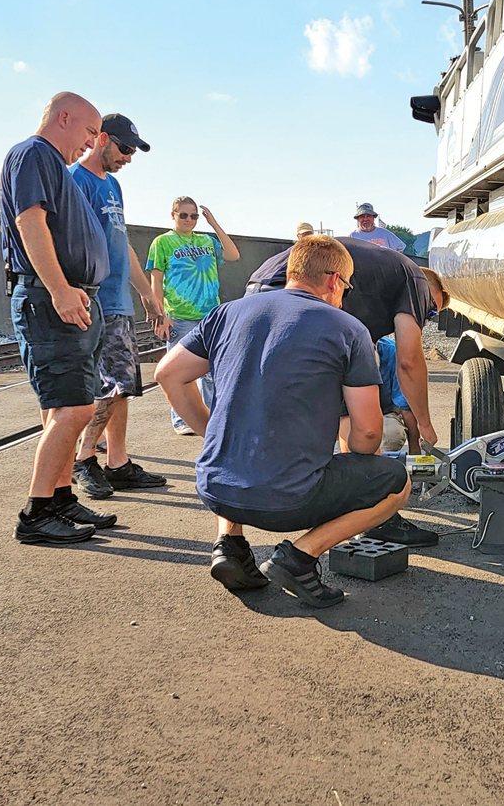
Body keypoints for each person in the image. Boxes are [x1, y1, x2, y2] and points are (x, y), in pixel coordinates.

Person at [156, 235, 412, 608]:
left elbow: (168, 374)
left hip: (215, 489)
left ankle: (230, 545)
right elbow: (369, 430)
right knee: (395, 482)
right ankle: (300, 556)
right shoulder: (348, 328)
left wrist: (210, 430)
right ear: (333, 281)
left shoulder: (226, 314)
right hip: (289, 501)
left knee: (240, 446)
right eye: (346, 286)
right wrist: (357, 467)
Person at [246, 237, 449, 547]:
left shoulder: (382, 278)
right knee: (357, 413)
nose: (426, 318)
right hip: (304, 295)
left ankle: (229, 542)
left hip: (258, 286)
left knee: (246, 410)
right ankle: (374, 513)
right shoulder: (417, 282)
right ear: (431, 292)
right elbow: (409, 362)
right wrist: (424, 423)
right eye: (431, 312)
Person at [0, 91, 115, 545]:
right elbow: (32, 223)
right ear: (63, 118)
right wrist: (60, 289)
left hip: (72, 300)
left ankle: (61, 498)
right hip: (54, 301)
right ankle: (37, 512)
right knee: (73, 408)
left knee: (64, 405)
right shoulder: (33, 154)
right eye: (88, 132)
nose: (90, 144)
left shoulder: (50, 162)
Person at [67, 113, 169, 499]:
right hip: (96, 301)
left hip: (119, 300)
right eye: (125, 149)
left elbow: (121, 244)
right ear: (102, 139)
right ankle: (84, 458)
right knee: (109, 387)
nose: (128, 158)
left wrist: (147, 294)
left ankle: (118, 463)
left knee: (124, 385)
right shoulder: (77, 181)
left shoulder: (113, 187)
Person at [148, 196, 239, 434]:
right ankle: (181, 419)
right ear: (173, 215)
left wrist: (214, 224)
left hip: (209, 315)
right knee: (179, 370)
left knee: (211, 370)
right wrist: (161, 315)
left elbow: (233, 255)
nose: (189, 220)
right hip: (179, 315)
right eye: (184, 215)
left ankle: (209, 416)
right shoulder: (163, 242)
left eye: (194, 216)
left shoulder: (206, 240)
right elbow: (156, 280)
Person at [376, 336, 419, 454]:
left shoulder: (392, 351)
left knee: (393, 435)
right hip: (344, 414)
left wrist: (415, 448)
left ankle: (380, 467)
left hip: (384, 413)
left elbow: (405, 404)